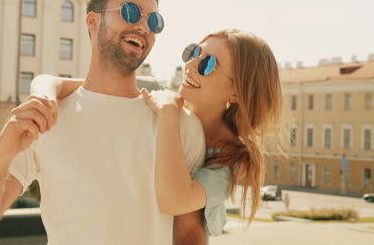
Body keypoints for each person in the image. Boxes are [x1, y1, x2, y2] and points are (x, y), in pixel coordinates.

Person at [0, 0, 206, 245]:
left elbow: (190, 233)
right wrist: (0, 154)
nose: (144, 27)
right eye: (131, 12)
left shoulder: (180, 124)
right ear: (93, 21)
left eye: (154, 21)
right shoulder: (44, 117)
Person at [35, 29, 282, 242]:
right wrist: (44, 99)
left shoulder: (230, 158)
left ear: (237, 93)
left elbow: (173, 202)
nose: (191, 65)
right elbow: (51, 82)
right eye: (194, 52)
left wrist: (168, 114)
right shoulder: (151, 91)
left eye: (208, 64)